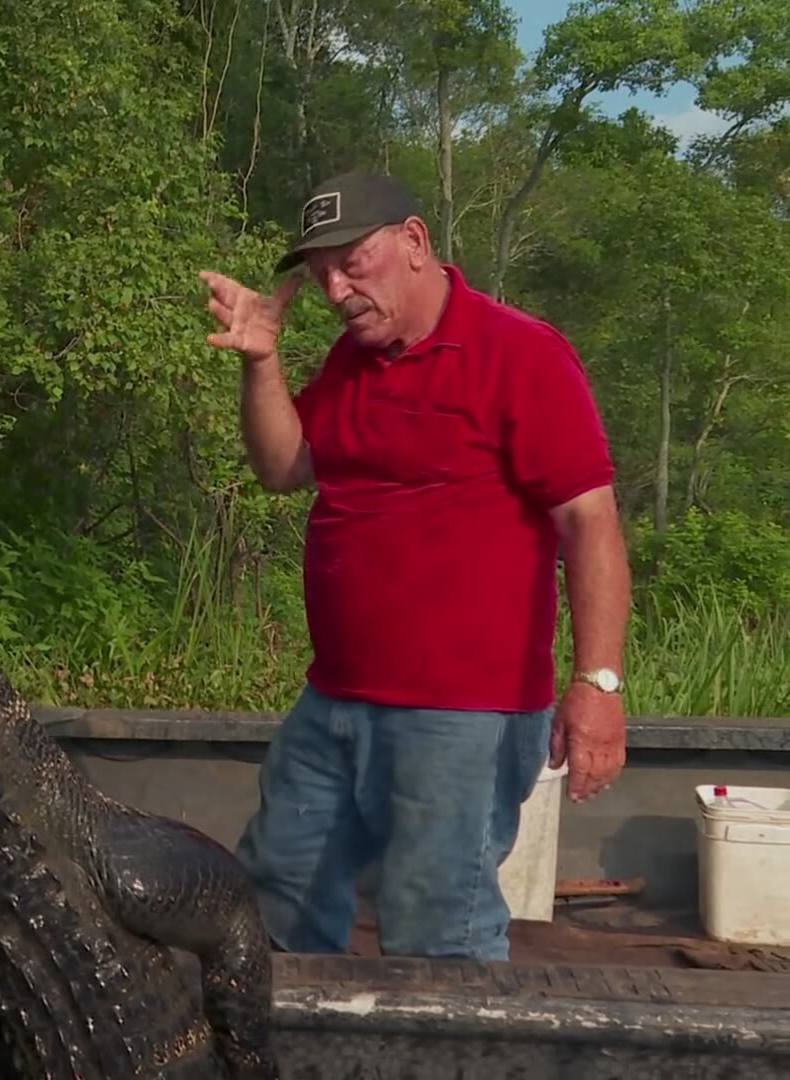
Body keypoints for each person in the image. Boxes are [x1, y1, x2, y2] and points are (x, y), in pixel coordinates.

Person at [198, 171, 631, 962]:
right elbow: (285, 466)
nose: (336, 290)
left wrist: (597, 685)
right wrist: (261, 362)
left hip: (464, 714)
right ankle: (294, 1033)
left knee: (438, 934)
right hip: (334, 700)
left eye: (351, 262)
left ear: (415, 241)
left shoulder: (519, 353)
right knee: (276, 898)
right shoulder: (351, 362)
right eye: (321, 273)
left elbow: (590, 520)